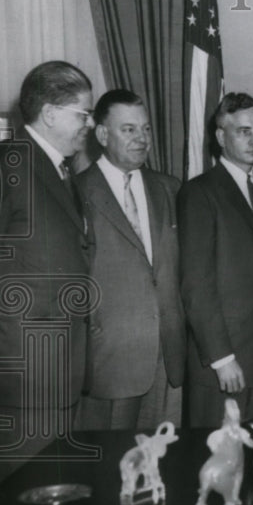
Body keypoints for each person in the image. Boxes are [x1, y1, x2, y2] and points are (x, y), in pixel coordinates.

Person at [0, 61, 95, 490]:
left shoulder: (62, 173)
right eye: (83, 114)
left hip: (59, 379)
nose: (90, 124)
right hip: (19, 387)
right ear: (49, 113)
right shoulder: (2, 165)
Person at [75, 90, 186, 430]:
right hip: (111, 361)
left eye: (146, 129)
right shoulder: (76, 193)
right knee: (112, 468)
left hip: (168, 358)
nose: (142, 139)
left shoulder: (170, 189)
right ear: (103, 134)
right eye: (129, 130)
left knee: (165, 464)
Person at [178, 92, 253, 427]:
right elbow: (197, 285)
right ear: (221, 136)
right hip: (227, 364)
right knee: (220, 466)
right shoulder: (199, 193)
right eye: (243, 131)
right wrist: (222, 358)